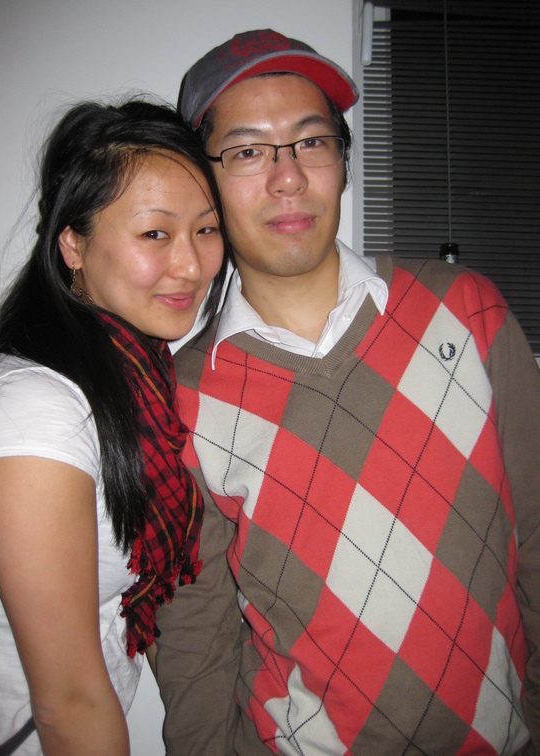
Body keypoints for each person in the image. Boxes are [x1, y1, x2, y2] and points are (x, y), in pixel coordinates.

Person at [153, 28, 540, 755]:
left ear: (342, 161)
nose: (287, 178)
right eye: (247, 152)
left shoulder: (466, 311)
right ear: (202, 182)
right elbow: (195, 630)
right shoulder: (182, 400)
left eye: (310, 142)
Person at [0, 98, 228, 755]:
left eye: (206, 229)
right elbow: (68, 703)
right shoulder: (34, 408)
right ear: (73, 245)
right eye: (155, 234)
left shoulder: (139, 377)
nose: (192, 265)